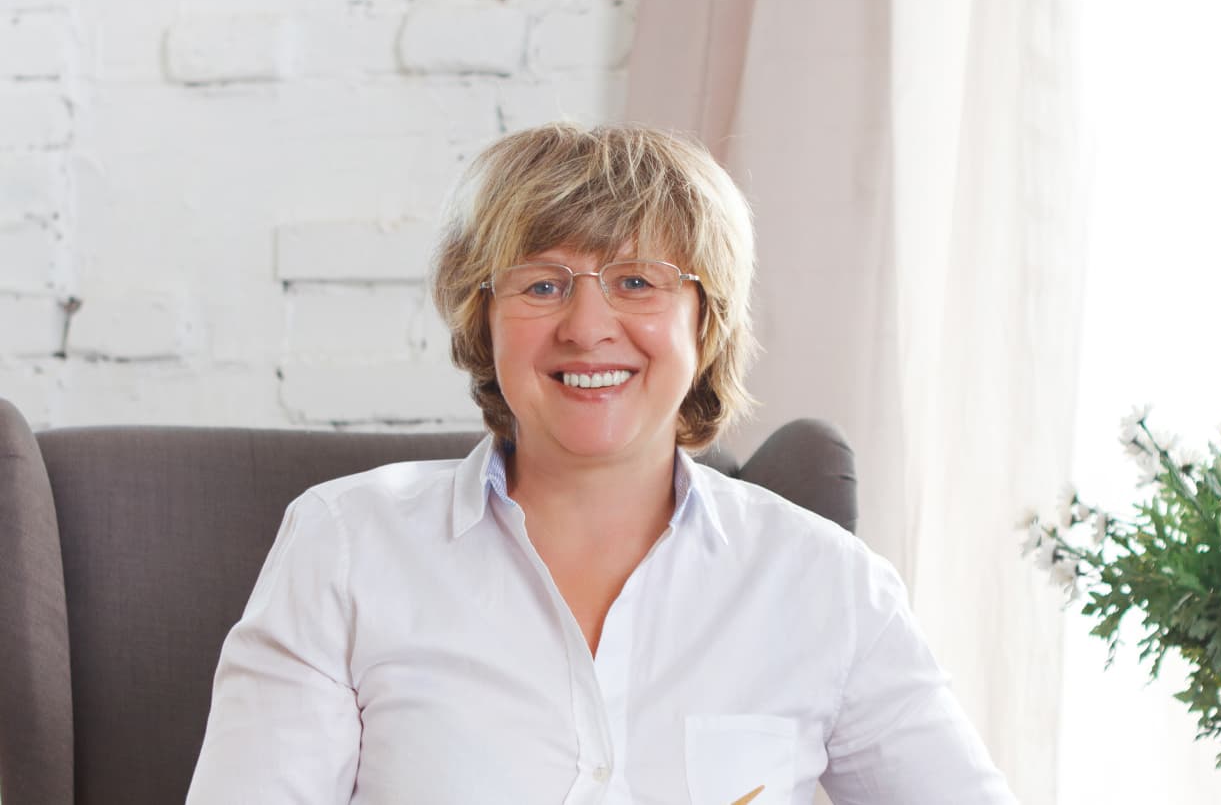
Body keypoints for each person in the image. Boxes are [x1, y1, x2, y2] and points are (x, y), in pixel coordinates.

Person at [187, 123, 1018, 804]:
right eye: (543, 285)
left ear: (707, 322)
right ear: (485, 318)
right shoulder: (344, 546)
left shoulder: (828, 585)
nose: (588, 326)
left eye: (637, 281)